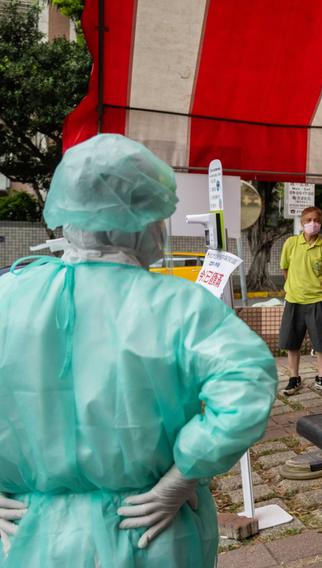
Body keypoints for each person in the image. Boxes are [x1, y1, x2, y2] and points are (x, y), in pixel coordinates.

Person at [0, 134, 277, 566]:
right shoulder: (179, 305)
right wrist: (184, 475)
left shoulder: (8, 297)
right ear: (144, 219)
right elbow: (248, 385)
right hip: (152, 528)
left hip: (29, 536)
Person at [279, 206, 322, 394]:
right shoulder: (291, 243)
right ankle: (294, 378)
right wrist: (295, 286)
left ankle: (321, 377)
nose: (313, 223)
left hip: (317, 301)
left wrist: (312, 286)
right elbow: (284, 268)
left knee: (321, 343)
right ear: (302, 222)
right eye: (309, 220)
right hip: (294, 300)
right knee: (291, 342)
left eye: (317, 220)